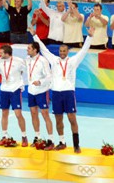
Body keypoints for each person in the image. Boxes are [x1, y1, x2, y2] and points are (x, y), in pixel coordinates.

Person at [29, 25, 94, 153]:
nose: (62, 53)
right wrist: (34, 35)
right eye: (60, 51)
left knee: (72, 118)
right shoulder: (54, 60)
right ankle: (62, 142)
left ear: (67, 52)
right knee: (58, 119)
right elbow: (42, 48)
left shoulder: (73, 61)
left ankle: (76, 144)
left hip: (68, 93)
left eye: (64, 51)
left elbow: (84, 51)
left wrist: (90, 37)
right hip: (56, 93)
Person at [0, 45, 28, 147]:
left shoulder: (18, 61)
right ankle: (4, 136)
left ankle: (24, 136)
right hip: (4, 90)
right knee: (4, 113)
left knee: (18, 114)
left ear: (7, 53)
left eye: (1, 53)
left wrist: (20, 83)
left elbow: (26, 70)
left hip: (15, 90)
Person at [26, 42, 54, 150]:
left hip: (42, 91)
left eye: (29, 48)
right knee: (33, 114)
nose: (27, 50)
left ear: (35, 50)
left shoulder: (43, 61)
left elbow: (49, 76)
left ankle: (50, 139)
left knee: (45, 114)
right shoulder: (27, 60)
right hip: (31, 91)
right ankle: (37, 137)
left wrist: (40, 82)